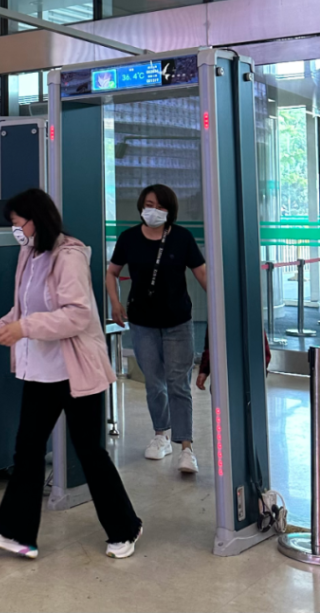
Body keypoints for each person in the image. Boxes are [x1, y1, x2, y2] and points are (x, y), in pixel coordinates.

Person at [0, 189, 142, 560]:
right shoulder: (29, 254)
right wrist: (0, 329)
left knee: (89, 452)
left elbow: (77, 315)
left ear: (37, 219)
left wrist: (24, 328)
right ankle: (17, 534)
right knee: (28, 450)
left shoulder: (68, 256)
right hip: (40, 373)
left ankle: (125, 528)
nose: (15, 231)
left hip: (74, 371)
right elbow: (22, 308)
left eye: (18, 223)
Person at [107, 184, 207, 474]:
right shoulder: (128, 238)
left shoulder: (182, 238)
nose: (155, 210)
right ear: (141, 205)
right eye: (150, 204)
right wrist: (115, 303)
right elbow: (111, 272)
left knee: (178, 383)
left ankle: (186, 447)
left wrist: (220, 307)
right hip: (142, 323)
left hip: (177, 321)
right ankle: (161, 435)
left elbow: (202, 273)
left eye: (162, 207)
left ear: (170, 211)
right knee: (154, 382)